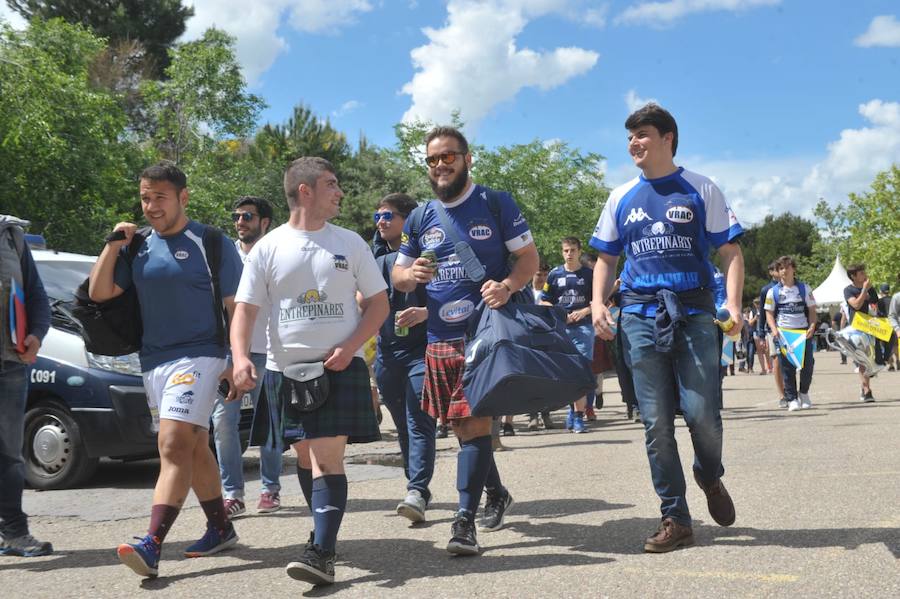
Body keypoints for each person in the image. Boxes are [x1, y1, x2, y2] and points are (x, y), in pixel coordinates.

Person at [590, 104, 743, 553]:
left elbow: (729, 252)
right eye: (630, 137)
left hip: (694, 311)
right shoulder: (620, 197)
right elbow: (606, 258)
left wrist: (731, 302)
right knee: (655, 423)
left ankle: (709, 475)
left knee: (702, 415)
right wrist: (599, 302)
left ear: (668, 138)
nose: (634, 143)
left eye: (642, 134)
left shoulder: (701, 188)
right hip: (638, 314)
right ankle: (675, 516)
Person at [231, 157, 388, 586]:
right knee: (304, 455)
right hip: (286, 371)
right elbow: (244, 311)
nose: (339, 192)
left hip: (340, 366)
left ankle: (321, 552)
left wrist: (351, 346)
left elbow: (379, 304)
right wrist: (242, 357)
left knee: (324, 457)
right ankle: (323, 532)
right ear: (305, 191)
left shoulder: (351, 243)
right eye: (331, 184)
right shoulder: (268, 247)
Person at [89, 162, 244, 577]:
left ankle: (152, 543)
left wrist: (234, 358)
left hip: (202, 355)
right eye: (144, 197)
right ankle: (220, 527)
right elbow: (100, 293)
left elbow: (236, 307)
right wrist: (112, 245)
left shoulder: (211, 241)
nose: (151, 205)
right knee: (193, 446)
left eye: (160, 196)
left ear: (183, 197)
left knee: (173, 445)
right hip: (153, 360)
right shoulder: (137, 245)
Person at [392, 126, 539, 556]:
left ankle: (463, 522)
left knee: (475, 425)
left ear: (467, 158)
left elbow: (529, 259)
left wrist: (508, 285)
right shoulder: (420, 216)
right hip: (439, 337)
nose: (441, 165)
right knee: (461, 429)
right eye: (433, 159)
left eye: (449, 156)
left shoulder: (494, 202)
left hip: (484, 335)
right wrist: (411, 276)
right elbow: (398, 274)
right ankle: (496, 494)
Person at [211, 196, 285, 518]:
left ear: (264, 222)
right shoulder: (225, 257)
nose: (240, 222)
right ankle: (233, 494)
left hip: (269, 353)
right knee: (223, 423)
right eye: (236, 216)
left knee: (269, 423)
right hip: (231, 355)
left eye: (247, 216)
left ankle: (270, 489)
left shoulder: (278, 253)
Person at [371, 193, 437, 523]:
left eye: (388, 215)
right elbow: (363, 301)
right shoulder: (375, 258)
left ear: (408, 220)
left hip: (422, 350)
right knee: (402, 426)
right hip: (387, 353)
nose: (381, 221)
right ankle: (417, 487)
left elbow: (458, 299)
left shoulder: (433, 255)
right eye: (377, 216)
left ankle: (417, 489)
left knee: (419, 421)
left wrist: (427, 312)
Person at [0, 215, 52, 557]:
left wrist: (36, 334)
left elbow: (35, 294)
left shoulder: (10, 236)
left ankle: (15, 533)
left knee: (9, 455)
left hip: (9, 363)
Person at [540, 237, 594, 433]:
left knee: (580, 371)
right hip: (561, 329)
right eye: (565, 250)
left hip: (584, 328)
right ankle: (572, 411)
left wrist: (585, 312)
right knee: (565, 373)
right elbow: (544, 301)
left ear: (580, 251)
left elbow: (600, 301)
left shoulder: (589, 274)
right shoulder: (554, 274)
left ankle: (579, 416)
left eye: (572, 250)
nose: (569, 254)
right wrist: (559, 312)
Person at [764, 256, 817, 411]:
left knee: (807, 365)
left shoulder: (805, 289)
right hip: (783, 334)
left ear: (794, 269)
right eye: (781, 268)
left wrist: (812, 326)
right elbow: (769, 314)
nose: (784, 271)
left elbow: (813, 311)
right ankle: (792, 398)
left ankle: (804, 393)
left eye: (787, 267)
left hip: (803, 332)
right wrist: (774, 331)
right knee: (787, 368)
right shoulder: (772, 292)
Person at [524, 264, 554, 431]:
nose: (541, 278)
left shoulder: (550, 293)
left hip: (547, 339)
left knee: (547, 380)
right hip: (529, 340)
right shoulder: (525, 292)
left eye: (544, 274)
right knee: (531, 381)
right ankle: (533, 415)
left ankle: (546, 414)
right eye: (538, 274)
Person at [844, 264, 879, 402]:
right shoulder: (848, 290)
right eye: (861, 273)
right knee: (862, 361)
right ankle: (867, 390)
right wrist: (864, 289)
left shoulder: (869, 288)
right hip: (856, 328)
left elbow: (875, 302)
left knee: (869, 361)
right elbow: (856, 305)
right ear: (853, 276)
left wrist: (869, 289)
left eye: (864, 272)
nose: (865, 275)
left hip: (870, 327)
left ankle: (864, 387)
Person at [759, 262, 785, 402]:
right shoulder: (766, 290)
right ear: (771, 272)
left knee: (792, 362)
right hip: (772, 329)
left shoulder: (791, 286)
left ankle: (791, 390)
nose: (781, 272)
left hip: (790, 328)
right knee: (777, 361)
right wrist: (761, 334)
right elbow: (763, 314)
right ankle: (782, 394)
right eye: (778, 269)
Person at [876, 283, 897, 371]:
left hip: (885, 325)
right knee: (895, 344)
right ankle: (898, 361)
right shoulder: (894, 299)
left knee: (886, 345)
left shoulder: (880, 301)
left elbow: (879, 314)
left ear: (881, 291)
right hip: (895, 324)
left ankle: (891, 364)